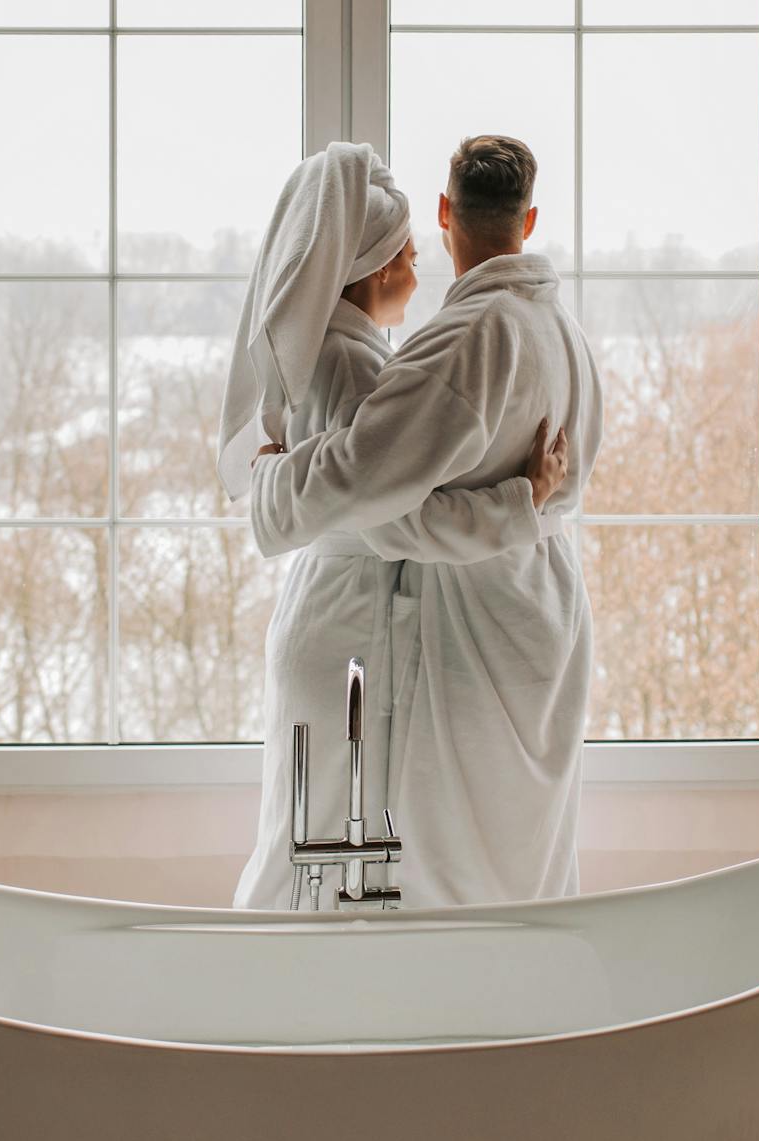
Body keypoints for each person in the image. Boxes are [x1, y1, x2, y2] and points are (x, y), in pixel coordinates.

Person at [249, 135, 602, 908]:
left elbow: (372, 497)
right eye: (403, 255)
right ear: (530, 219)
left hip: (450, 625)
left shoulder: (450, 342)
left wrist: (273, 475)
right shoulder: (561, 333)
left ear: (447, 211)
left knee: (421, 869)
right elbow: (379, 510)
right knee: (487, 868)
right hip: (521, 615)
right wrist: (524, 505)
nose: (416, 269)